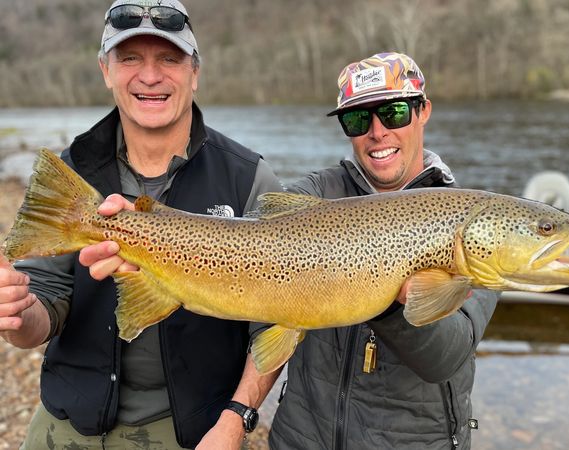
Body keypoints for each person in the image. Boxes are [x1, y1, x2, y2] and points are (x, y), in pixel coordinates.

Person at [72, 52, 500, 449]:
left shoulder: (462, 218)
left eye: (393, 112)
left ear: (423, 110)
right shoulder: (317, 192)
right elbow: (242, 235)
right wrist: (143, 225)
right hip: (299, 438)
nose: (377, 132)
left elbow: (447, 357)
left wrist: (388, 297)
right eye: (356, 120)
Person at [0, 1, 282, 449]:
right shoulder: (73, 175)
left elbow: (275, 321)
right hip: (69, 422)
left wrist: (236, 420)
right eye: (130, 58)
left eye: (169, 59)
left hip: (194, 430)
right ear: (105, 70)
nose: (150, 76)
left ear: (195, 72)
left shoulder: (248, 177)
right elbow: (45, 309)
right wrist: (16, 315)